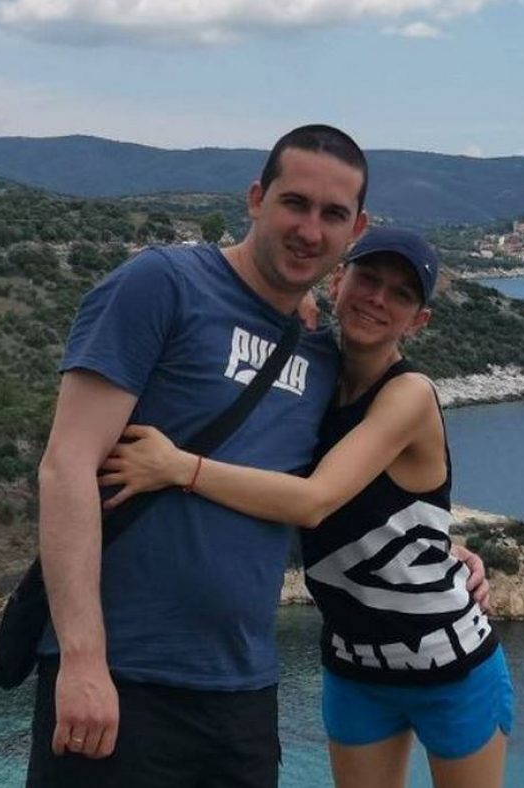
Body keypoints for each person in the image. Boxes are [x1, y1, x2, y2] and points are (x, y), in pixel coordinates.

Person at [28, 125, 487, 788]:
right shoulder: (163, 283)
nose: (309, 230)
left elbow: (333, 489)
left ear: (354, 230)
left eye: (332, 214)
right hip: (123, 677)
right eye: (294, 203)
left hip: (241, 695)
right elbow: (65, 464)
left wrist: (444, 550)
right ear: (255, 198)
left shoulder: (320, 355)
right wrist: (82, 658)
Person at [101, 228, 513, 788]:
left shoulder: (409, 394)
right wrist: (447, 547)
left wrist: (179, 467)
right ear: (338, 280)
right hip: (356, 667)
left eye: (400, 294)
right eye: (368, 279)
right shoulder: (314, 376)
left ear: (418, 321)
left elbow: (315, 502)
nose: (377, 298)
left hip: (451, 665)